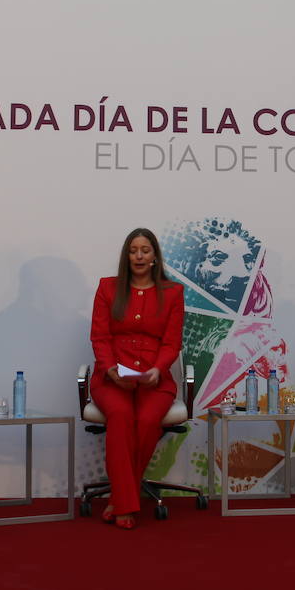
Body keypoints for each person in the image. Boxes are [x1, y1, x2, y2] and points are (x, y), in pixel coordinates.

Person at [89, 227, 185, 530]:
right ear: (126, 255)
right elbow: (100, 337)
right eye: (133, 250)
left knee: (145, 421)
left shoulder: (172, 292)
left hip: (155, 379)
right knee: (119, 414)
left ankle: (118, 497)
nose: (139, 256)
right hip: (112, 376)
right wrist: (111, 370)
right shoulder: (108, 288)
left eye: (145, 250)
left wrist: (157, 369)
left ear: (155, 256)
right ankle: (125, 505)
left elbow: (171, 342)